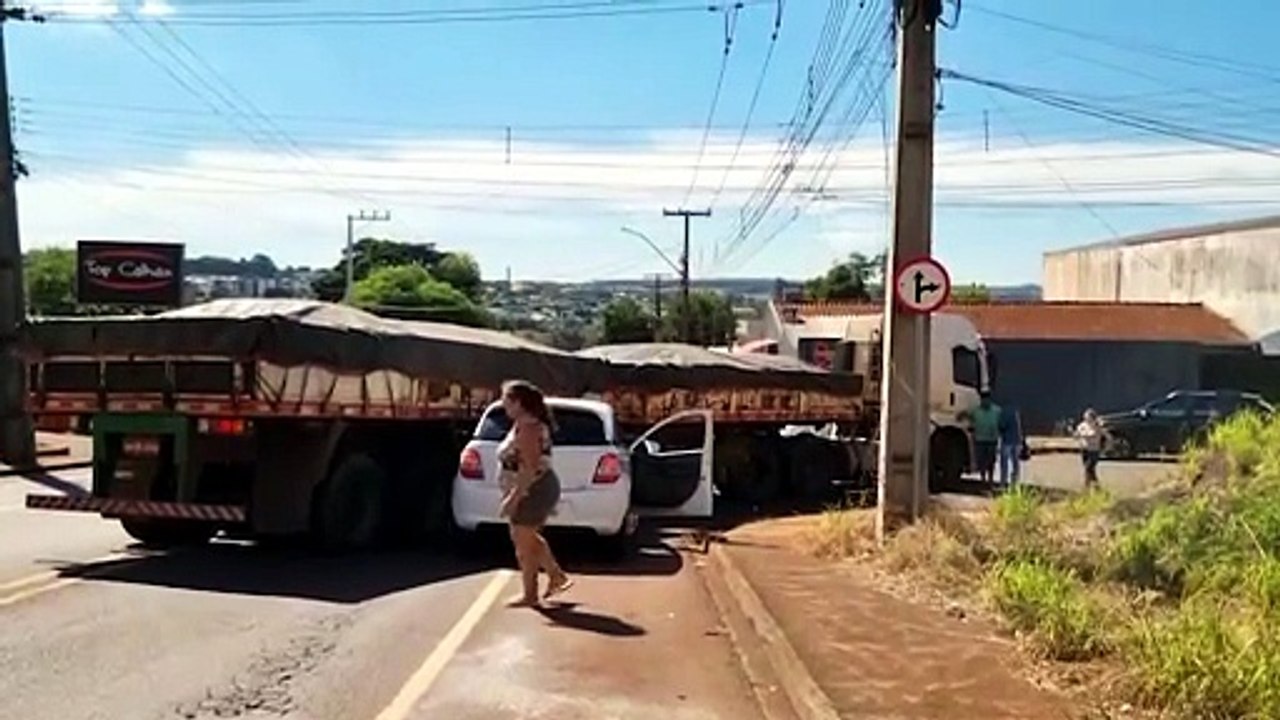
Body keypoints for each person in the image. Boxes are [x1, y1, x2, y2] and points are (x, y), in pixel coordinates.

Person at [496, 379, 572, 607]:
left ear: (518, 403)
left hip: (534, 490)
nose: (503, 404)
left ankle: (551, 579)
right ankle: (542, 585)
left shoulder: (529, 429)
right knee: (524, 541)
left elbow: (529, 469)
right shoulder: (523, 424)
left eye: (506, 400)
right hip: (531, 488)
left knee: (523, 540)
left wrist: (513, 498)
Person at [970, 391, 1002, 484]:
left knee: (991, 460)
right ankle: (983, 478)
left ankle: (990, 478)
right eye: (983, 400)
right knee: (981, 460)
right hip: (980, 439)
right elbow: (967, 416)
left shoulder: (997, 410)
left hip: (992, 440)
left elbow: (1001, 422)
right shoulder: (976, 411)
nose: (985, 402)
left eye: (987, 400)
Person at [997, 402, 1025, 486]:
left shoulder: (1003, 413)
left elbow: (1002, 426)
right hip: (1017, 441)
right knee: (1016, 463)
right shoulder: (1016, 414)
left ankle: (1003, 482)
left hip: (1007, 441)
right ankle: (1015, 483)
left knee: (1004, 463)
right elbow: (1020, 429)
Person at [1074, 408, 1103, 490]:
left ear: (1093, 418)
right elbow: (1077, 434)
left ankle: (1086, 487)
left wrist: (1107, 446)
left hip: (1094, 450)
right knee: (1090, 470)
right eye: (1085, 417)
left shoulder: (1097, 426)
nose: (1087, 419)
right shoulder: (1082, 426)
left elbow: (1093, 435)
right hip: (1084, 450)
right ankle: (1098, 488)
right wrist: (1076, 435)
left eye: (1088, 417)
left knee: (1088, 468)